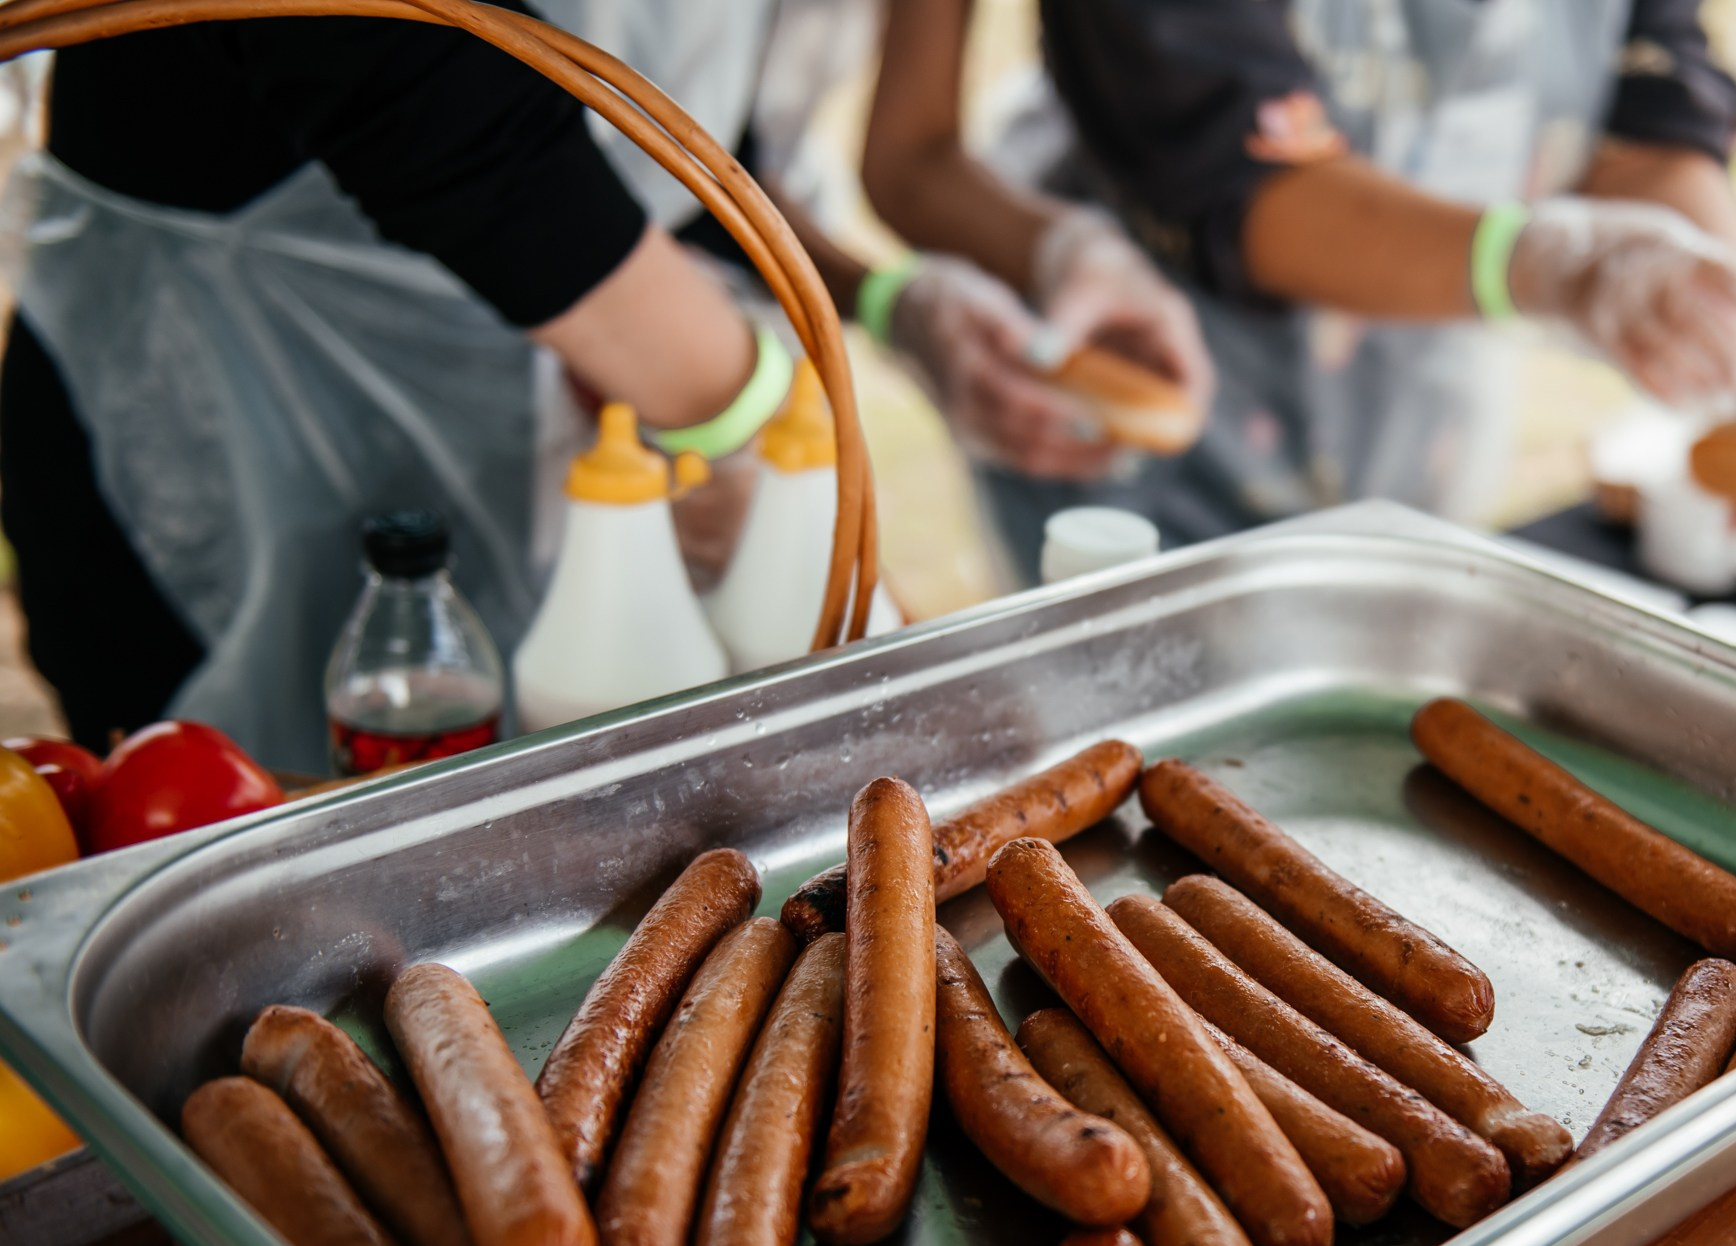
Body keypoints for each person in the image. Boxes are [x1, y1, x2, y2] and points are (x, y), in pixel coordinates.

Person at [0, 1, 1114, 770]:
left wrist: (889, 304)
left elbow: (662, 136)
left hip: (574, 424)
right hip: (221, 404)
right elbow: (417, 87)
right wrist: (747, 404)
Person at [861, 0, 1736, 581]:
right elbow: (1240, 174)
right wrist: (1562, 265)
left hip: (1415, 420)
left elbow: (1648, 101)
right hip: (1150, 423)